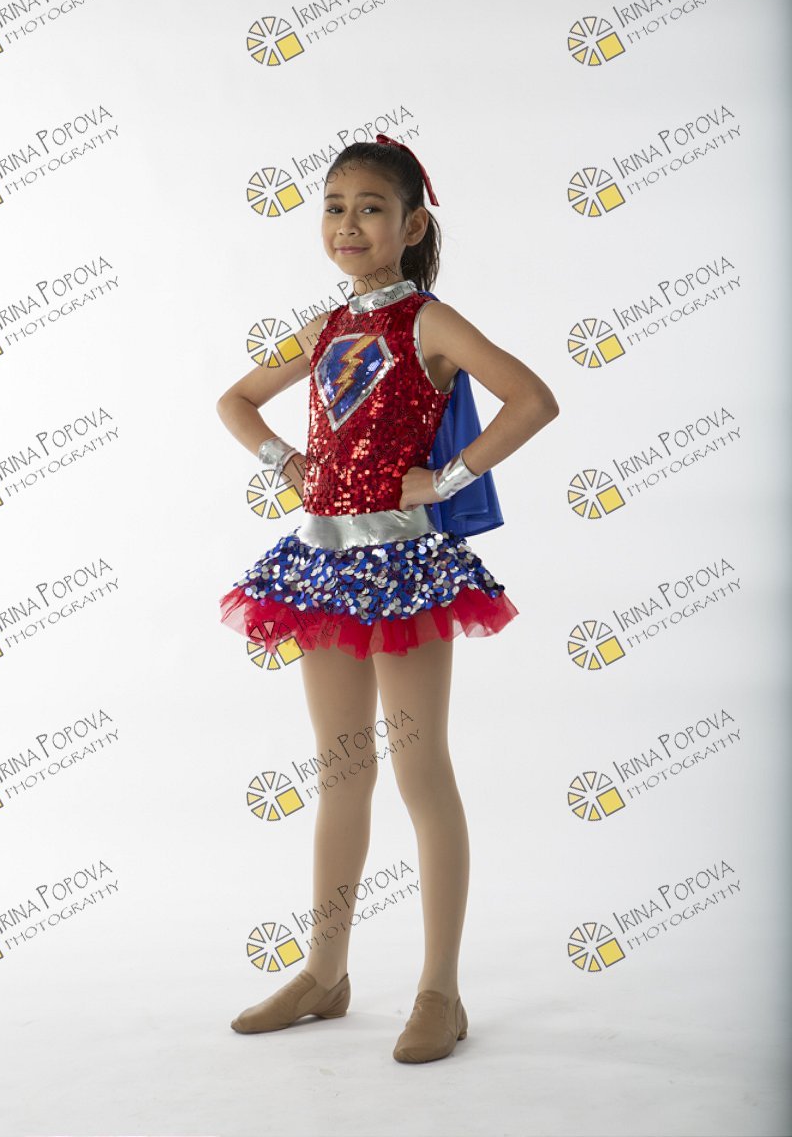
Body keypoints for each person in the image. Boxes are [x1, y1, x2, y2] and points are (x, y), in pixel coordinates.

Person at [216, 134, 560, 1063]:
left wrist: (445, 480)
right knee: (341, 770)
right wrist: (287, 462)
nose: (348, 224)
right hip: (323, 565)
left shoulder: (429, 323)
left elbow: (533, 399)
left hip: (403, 569)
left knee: (420, 771)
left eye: (370, 208)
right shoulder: (325, 327)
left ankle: (441, 989)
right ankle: (325, 973)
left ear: (412, 226)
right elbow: (235, 400)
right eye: (334, 207)